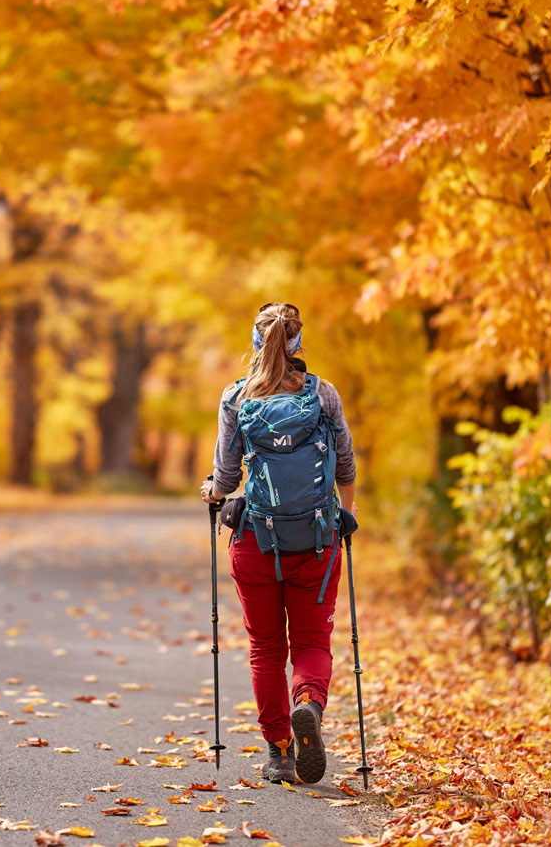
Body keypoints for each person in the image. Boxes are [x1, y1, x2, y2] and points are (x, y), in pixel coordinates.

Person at [200, 302, 357, 785]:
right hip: (315, 541)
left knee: (266, 649)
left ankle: (280, 752)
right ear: (297, 342)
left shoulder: (235, 398)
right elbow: (346, 466)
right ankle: (308, 704)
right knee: (311, 642)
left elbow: (227, 477)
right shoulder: (324, 395)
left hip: (256, 543)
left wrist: (212, 491)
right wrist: (344, 517)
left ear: (256, 341)